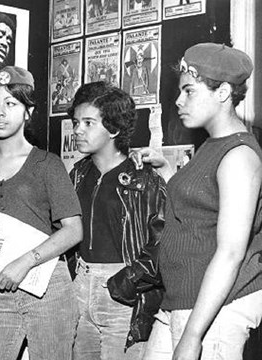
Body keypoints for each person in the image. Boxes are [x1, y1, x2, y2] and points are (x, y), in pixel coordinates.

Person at [132, 43, 262, 360]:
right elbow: (202, 207)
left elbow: (231, 253)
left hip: (214, 312)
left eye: (189, 91)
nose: (179, 100)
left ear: (223, 92)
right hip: (182, 300)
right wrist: (167, 173)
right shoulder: (212, 146)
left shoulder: (239, 157)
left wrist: (192, 337)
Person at [0, 66, 83, 359]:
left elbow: (73, 229)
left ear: (27, 111)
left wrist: (25, 262)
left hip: (48, 289)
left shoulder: (48, 164)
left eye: (10, 103)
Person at [68, 81, 167, 359]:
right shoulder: (76, 176)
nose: (77, 130)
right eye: (76, 122)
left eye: (88, 123)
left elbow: (162, 242)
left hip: (121, 293)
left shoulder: (143, 178)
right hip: (80, 287)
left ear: (113, 128)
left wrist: (127, 281)